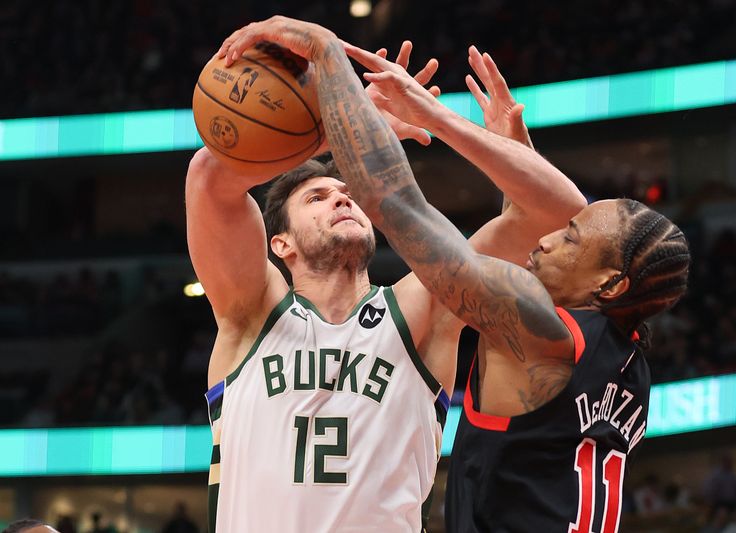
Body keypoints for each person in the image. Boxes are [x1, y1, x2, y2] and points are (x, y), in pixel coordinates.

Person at [219, 15, 690, 533]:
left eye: (572, 239)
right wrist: (516, 158)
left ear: (609, 285)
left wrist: (333, 56)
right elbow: (544, 216)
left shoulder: (538, 333)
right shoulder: (627, 357)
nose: (549, 240)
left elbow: (393, 200)